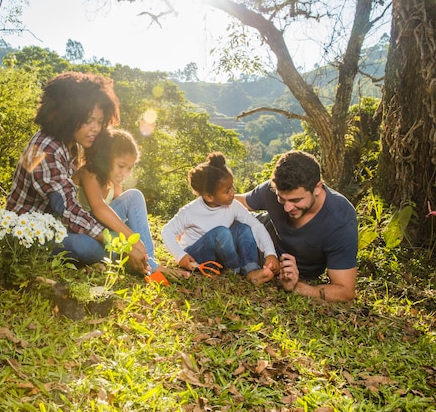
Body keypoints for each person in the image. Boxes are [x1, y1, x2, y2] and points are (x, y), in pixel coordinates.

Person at [5, 71, 149, 274]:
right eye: (89, 120)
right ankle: (131, 260)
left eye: (99, 122)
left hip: (61, 223)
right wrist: (124, 245)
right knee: (84, 245)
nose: (95, 129)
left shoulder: (70, 142)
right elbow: (67, 209)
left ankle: (149, 262)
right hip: (31, 231)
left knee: (131, 198)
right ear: (69, 115)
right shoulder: (42, 149)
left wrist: (130, 240)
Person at [234, 150, 358, 302]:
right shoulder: (271, 190)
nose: (287, 208)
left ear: (317, 188)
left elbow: (345, 291)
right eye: (281, 199)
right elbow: (240, 203)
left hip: (289, 270)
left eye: (296, 200)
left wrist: (297, 287)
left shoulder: (340, 219)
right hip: (254, 238)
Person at [72, 128, 185, 280]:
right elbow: (99, 209)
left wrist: (133, 245)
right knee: (83, 246)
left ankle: (146, 262)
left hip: (103, 235)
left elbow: (118, 221)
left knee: (134, 196)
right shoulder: (88, 173)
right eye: (121, 165)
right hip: (83, 230)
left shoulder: (114, 183)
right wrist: (135, 241)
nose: (125, 173)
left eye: (130, 168)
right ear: (106, 158)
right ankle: (144, 263)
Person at [161, 152, 279, 285]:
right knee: (221, 232)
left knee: (244, 227)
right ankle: (235, 270)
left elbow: (256, 226)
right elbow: (167, 231)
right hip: (196, 256)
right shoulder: (190, 211)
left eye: (232, 187)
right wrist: (180, 255)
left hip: (221, 255)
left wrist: (270, 253)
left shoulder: (234, 205)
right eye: (227, 191)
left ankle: (251, 269)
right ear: (209, 197)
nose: (233, 192)